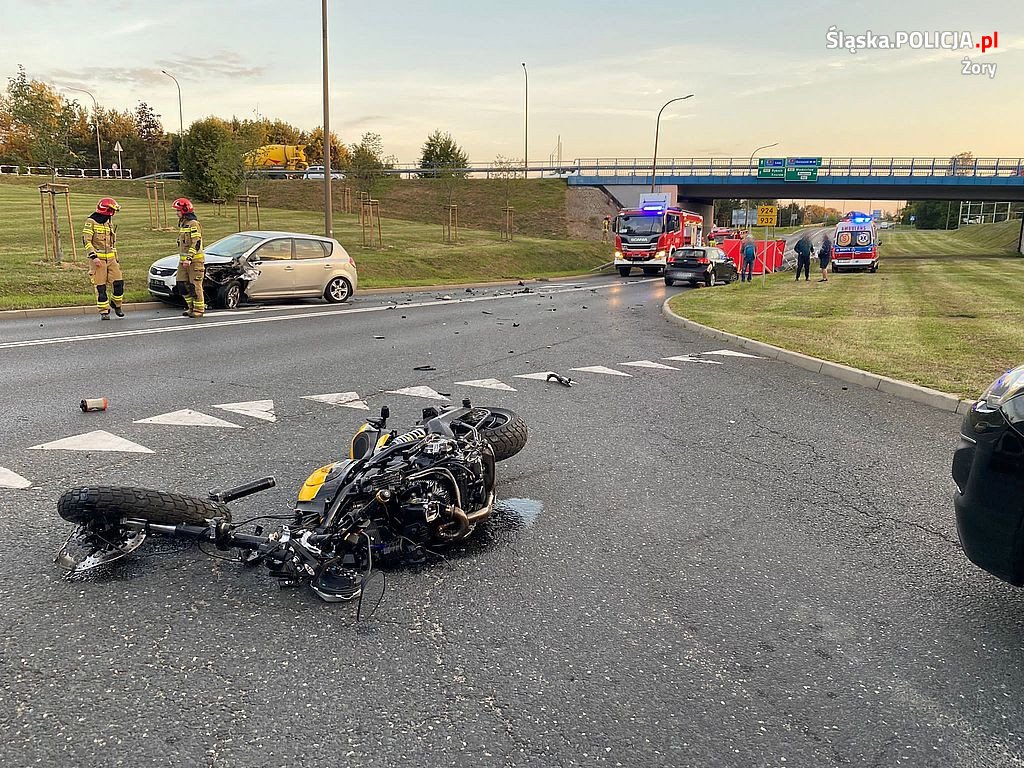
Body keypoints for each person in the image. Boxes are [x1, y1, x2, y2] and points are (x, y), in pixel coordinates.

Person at [82, 197, 124, 320]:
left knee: (119, 283)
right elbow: (86, 241)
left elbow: (112, 243)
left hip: (111, 260)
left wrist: (116, 258)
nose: (113, 214)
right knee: (101, 287)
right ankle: (104, 311)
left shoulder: (108, 222)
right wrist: (93, 256)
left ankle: (117, 305)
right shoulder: (91, 222)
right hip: (98, 261)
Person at [173, 197, 205, 317]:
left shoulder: (193, 224)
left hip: (195, 262)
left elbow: (196, 242)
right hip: (183, 262)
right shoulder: (183, 224)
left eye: (178, 211)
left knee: (194, 285)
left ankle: (199, 309)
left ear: (185, 210)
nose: (177, 213)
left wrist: (189, 258)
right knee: (181, 284)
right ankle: (190, 307)